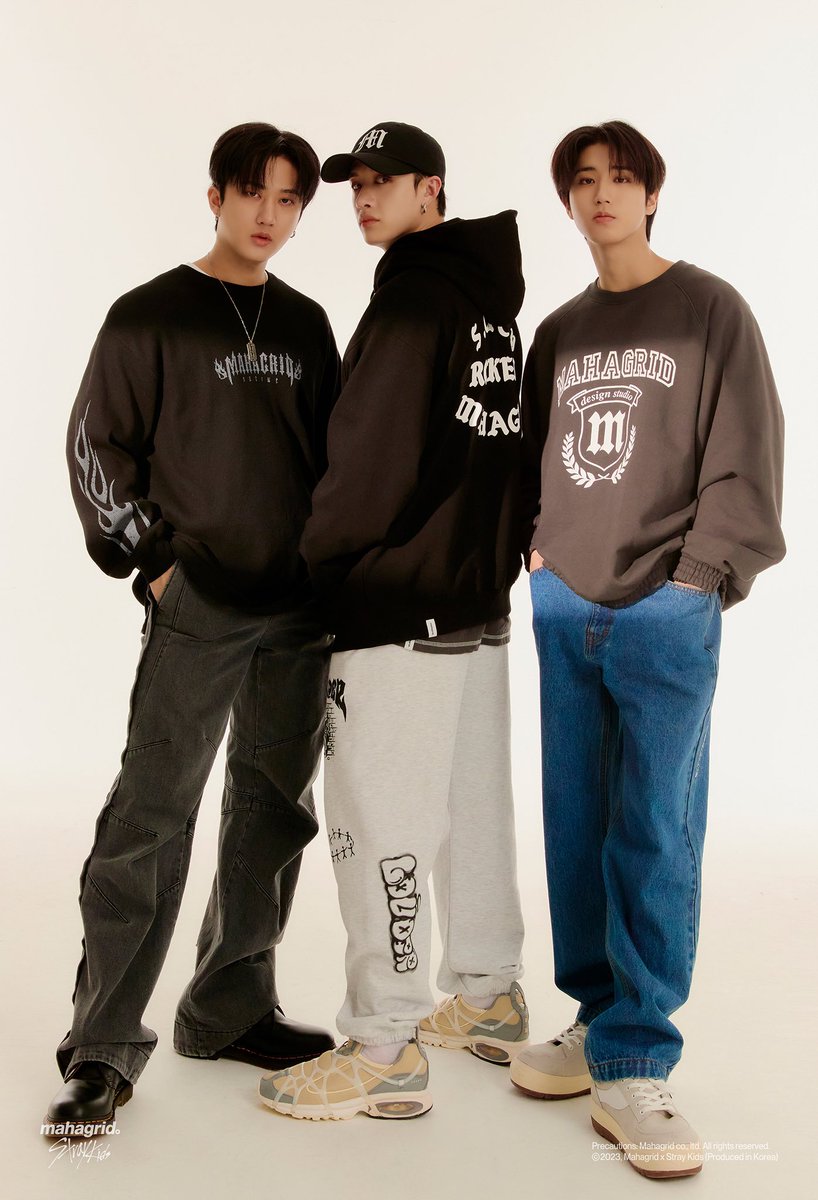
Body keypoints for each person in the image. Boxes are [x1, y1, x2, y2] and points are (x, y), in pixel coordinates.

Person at [44, 122, 341, 1138]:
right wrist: (155, 564)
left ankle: (229, 1008)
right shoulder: (151, 315)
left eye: (289, 200)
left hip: (297, 608)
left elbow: (336, 458)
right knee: (150, 817)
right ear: (215, 195)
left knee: (273, 810)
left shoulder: (304, 323)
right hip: (200, 599)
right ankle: (101, 1047)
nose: (270, 215)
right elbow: (95, 445)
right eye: (253, 193)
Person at [511, 120, 785, 1179]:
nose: (602, 195)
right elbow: (532, 457)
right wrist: (536, 557)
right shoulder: (560, 332)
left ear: (652, 194)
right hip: (563, 600)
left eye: (622, 179)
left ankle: (637, 1058)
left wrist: (697, 578)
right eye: (583, 181)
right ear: (567, 201)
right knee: (575, 820)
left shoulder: (710, 309)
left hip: (667, 605)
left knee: (656, 828)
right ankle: (595, 1022)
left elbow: (745, 450)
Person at [258, 121, 528, 1122]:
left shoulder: (412, 300)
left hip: (396, 606)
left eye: (384, 181)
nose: (364, 198)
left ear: (432, 188)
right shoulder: (490, 305)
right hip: (474, 603)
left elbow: (366, 460)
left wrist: (321, 571)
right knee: (469, 805)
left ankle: (384, 1045)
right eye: (356, 184)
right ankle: (489, 992)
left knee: (379, 822)